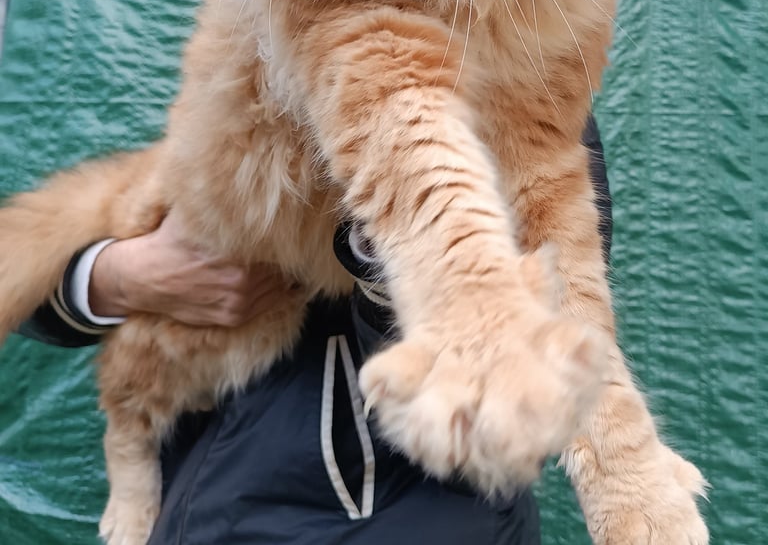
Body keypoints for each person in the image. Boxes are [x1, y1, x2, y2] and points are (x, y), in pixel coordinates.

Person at [21, 119, 613, 545]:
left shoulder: (530, 88)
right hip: (198, 506)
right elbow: (37, 283)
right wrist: (117, 277)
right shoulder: (247, 66)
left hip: (403, 514)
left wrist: (391, 255)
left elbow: (522, 352)